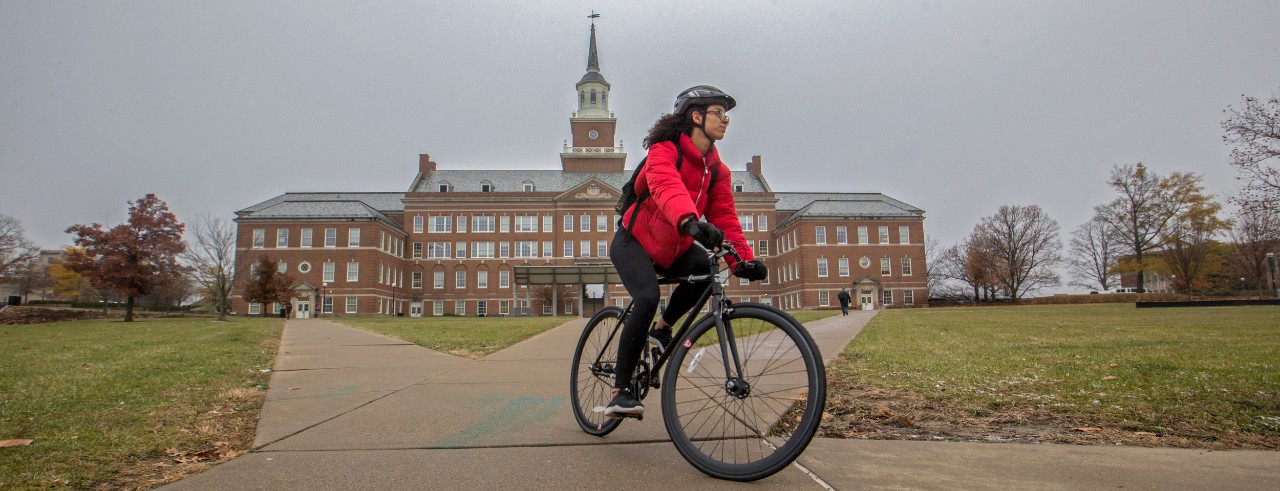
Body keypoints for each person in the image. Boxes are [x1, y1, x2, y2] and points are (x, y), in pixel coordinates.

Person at [605, 85, 769, 418]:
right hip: (633, 241)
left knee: (707, 271)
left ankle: (662, 329)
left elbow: (724, 215)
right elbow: (666, 186)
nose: (726, 120)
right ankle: (620, 391)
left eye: (727, 115)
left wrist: (741, 260)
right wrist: (689, 221)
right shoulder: (664, 151)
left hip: (673, 245)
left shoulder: (717, 171)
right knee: (647, 297)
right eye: (718, 113)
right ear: (696, 116)